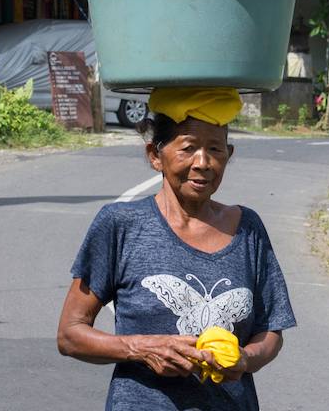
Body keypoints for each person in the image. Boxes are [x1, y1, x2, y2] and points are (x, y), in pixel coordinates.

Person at [57, 87, 296, 410]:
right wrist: (141, 348)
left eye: (215, 149)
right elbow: (70, 335)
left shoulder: (248, 228)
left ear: (229, 154)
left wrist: (245, 359)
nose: (203, 163)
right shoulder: (121, 225)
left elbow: (270, 332)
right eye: (188, 148)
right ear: (155, 155)